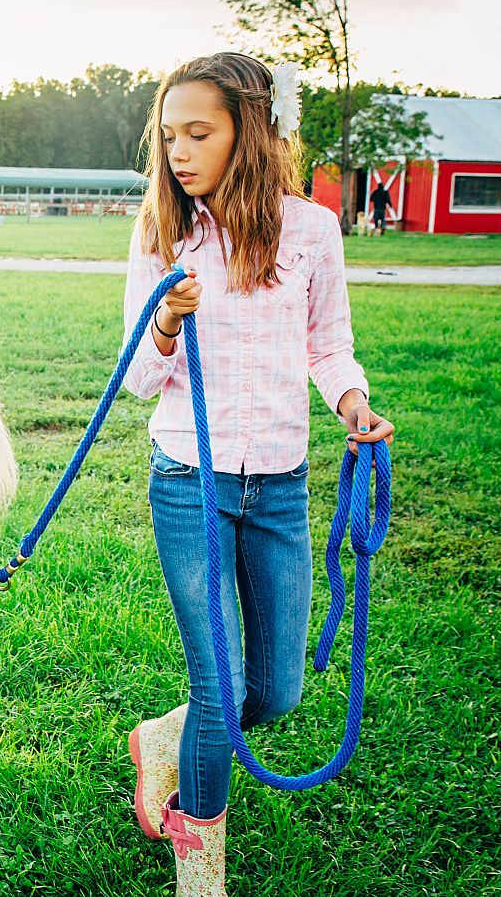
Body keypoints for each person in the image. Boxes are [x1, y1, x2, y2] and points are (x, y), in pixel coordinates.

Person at [119, 53, 395, 896]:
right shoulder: (162, 234)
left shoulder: (312, 230)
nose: (177, 151)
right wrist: (164, 319)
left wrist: (352, 404)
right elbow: (135, 378)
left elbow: (329, 344)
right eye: (168, 135)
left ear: (253, 131)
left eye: (198, 132)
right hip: (189, 485)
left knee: (274, 693)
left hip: (279, 488)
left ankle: (164, 740)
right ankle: (200, 876)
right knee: (222, 688)